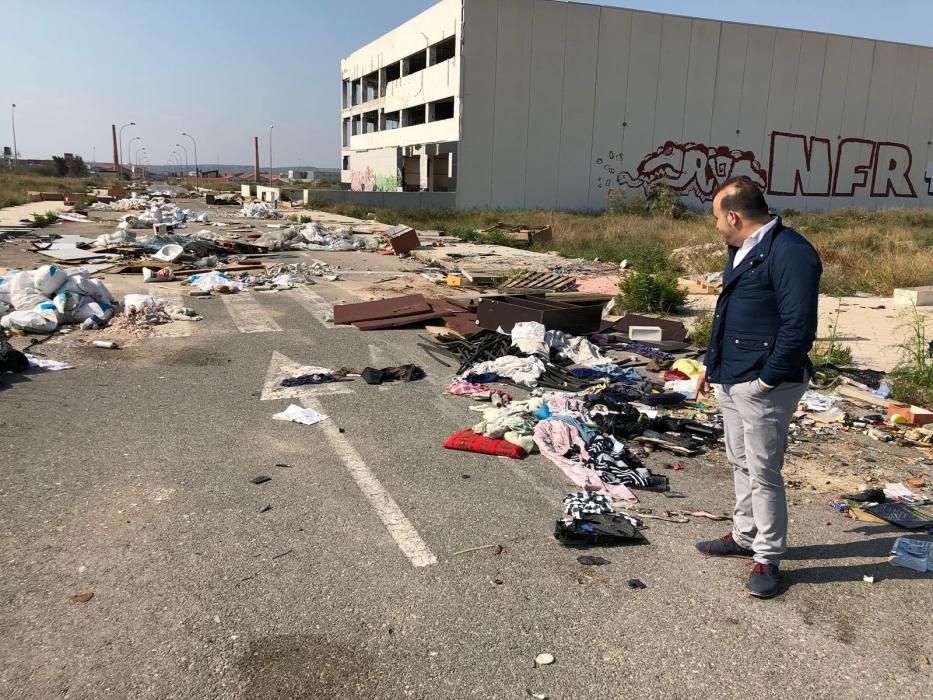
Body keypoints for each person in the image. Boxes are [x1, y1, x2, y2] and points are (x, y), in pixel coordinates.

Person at [695, 177, 822, 598]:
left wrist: (767, 379)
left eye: (717, 217)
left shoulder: (792, 253)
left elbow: (799, 326)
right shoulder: (742, 248)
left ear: (733, 215)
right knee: (739, 461)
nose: (716, 226)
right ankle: (744, 534)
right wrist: (711, 365)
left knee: (764, 470)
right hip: (732, 374)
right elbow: (727, 311)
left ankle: (767, 556)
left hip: (764, 382)